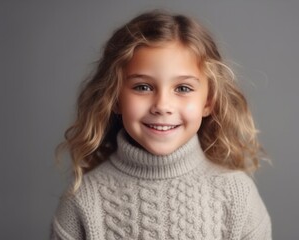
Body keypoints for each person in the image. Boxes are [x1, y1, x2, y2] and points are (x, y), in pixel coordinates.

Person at [51, 10, 271, 240]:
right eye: (143, 87)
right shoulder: (84, 199)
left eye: (183, 88)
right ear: (114, 98)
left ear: (208, 102)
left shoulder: (237, 195)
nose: (162, 105)